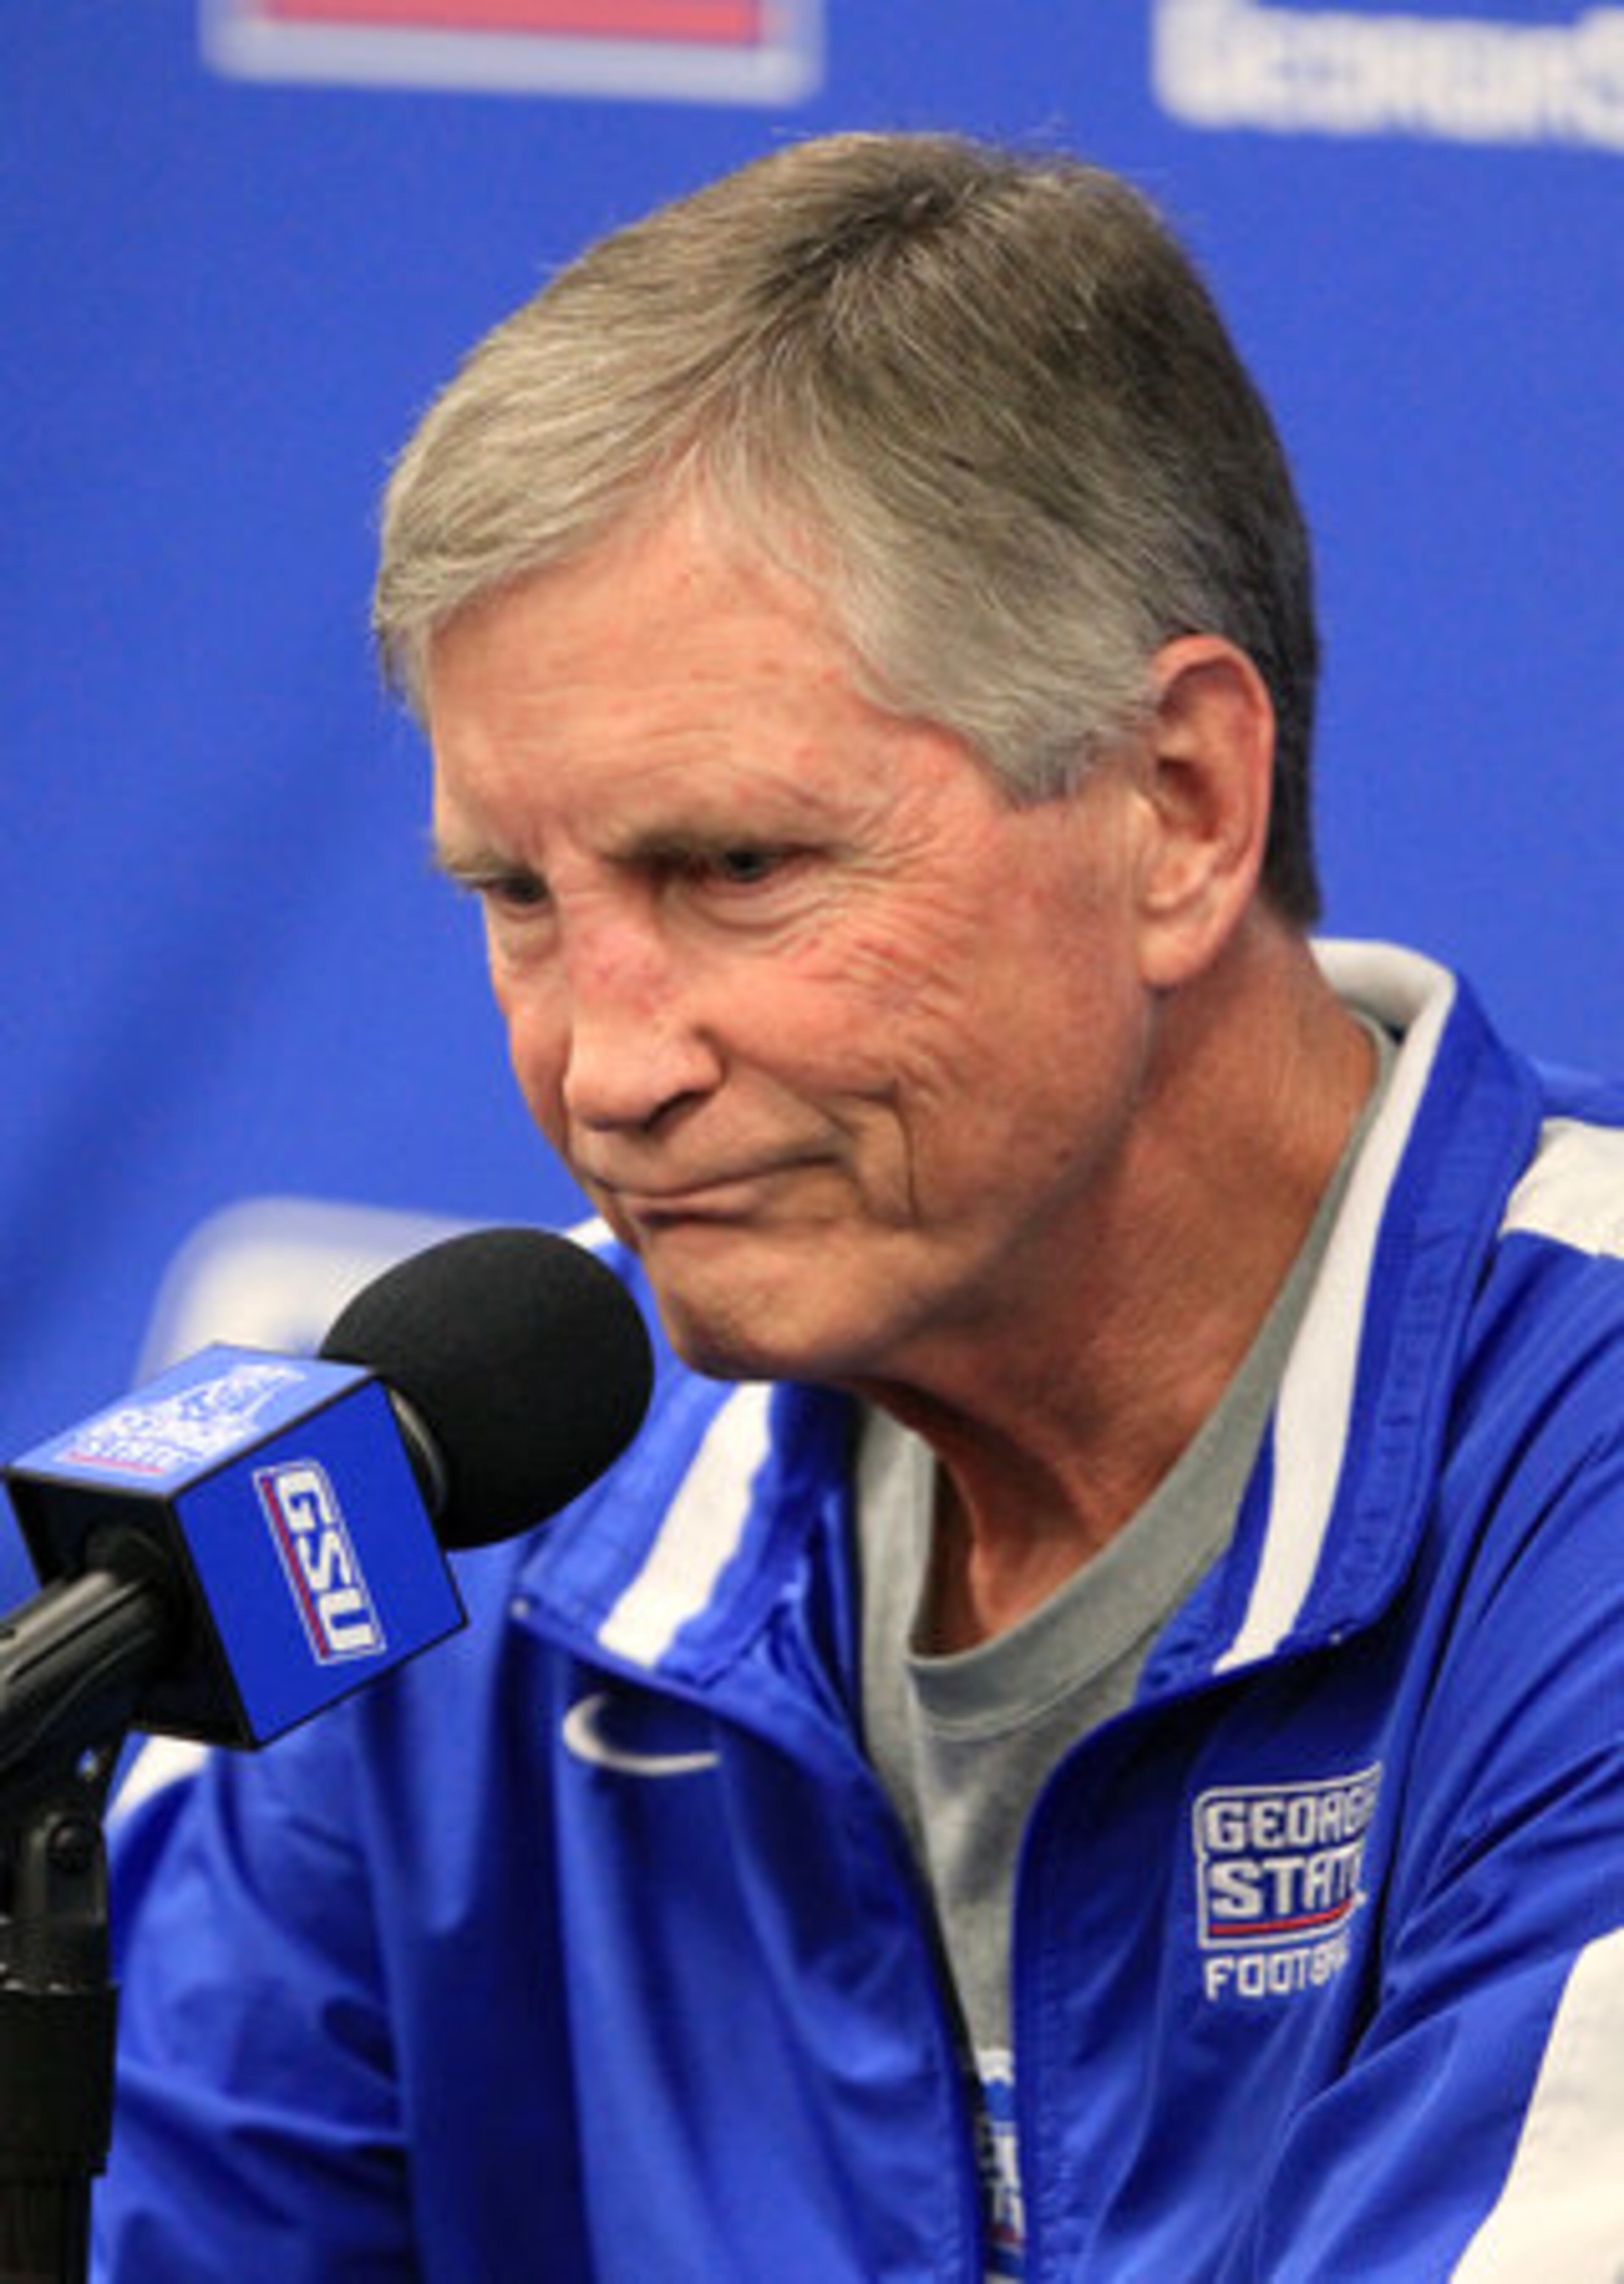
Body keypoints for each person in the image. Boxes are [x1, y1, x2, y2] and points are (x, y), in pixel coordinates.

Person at [94, 131, 1624, 2280]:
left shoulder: (1586, 1481)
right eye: (517, 898)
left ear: (1178, 808)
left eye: (736, 871)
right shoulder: (459, 1517)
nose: (606, 1065)